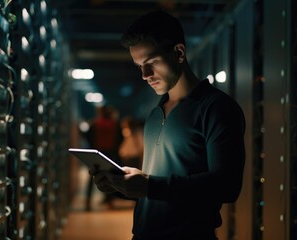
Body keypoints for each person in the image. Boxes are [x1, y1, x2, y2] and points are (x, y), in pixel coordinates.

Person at [91, 10, 246, 240]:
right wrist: (120, 187)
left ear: (179, 53)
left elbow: (227, 185)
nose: (145, 74)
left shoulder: (217, 108)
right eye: (139, 66)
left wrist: (149, 186)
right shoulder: (155, 114)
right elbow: (157, 189)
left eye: (152, 62)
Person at [84, 105, 123, 210]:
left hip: (97, 153)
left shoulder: (95, 123)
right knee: (111, 177)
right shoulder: (115, 124)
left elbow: (88, 137)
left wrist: (93, 147)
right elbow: (120, 138)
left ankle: (87, 202)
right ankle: (109, 202)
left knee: (92, 176)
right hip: (111, 153)